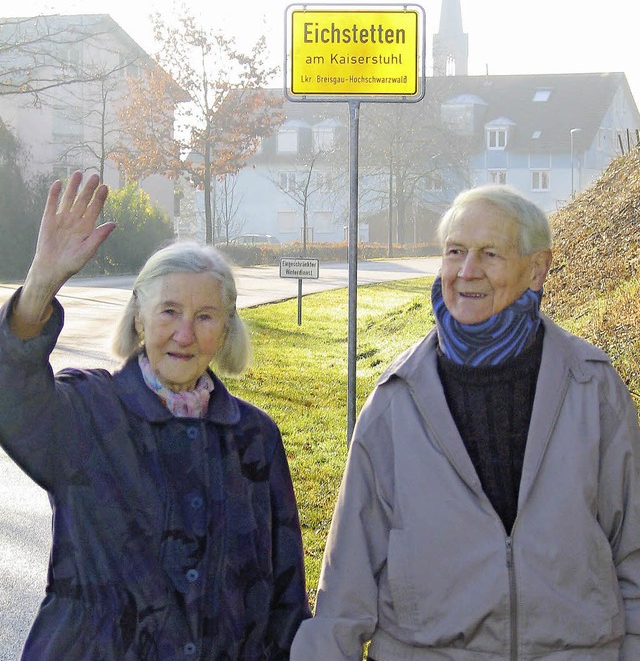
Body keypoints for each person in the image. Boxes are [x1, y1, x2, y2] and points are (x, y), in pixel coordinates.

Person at [291, 184, 640, 660]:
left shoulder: (593, 389)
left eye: (489, 254)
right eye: (455, 251)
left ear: (537, 268)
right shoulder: (397, 400)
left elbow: (633, 554)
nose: (466, 271)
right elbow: (345, 582)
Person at [0, 171, 310, 660]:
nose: (185, 335)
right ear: (140, 317)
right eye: (169, 311)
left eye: (205, 316)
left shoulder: (254, 438)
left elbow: (286, 598)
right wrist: (39, 286)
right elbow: (12, 394)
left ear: (226, 328)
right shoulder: (87, 413)